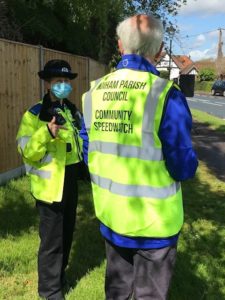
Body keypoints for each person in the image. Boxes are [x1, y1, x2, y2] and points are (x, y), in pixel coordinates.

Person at [80, 14, 198, 299]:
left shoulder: (93, 93)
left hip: (112, 217)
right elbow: (183, 166)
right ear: (158, 52)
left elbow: (88, 154)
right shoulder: (165, 94)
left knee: (117, 291)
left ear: (120, 46)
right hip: (155, 225)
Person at [16, 59, 83, 300]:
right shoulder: (34, 114)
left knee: (66, 235)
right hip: (49, 187)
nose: (63, 85)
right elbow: (26, 151)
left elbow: (78, 145)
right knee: (51, 242)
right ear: (47, 84)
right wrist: (46, 133)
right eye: (58, 81)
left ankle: (60, 276)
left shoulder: (71, 111)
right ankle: (49, 290)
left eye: (66, 81)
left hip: (70, 181)